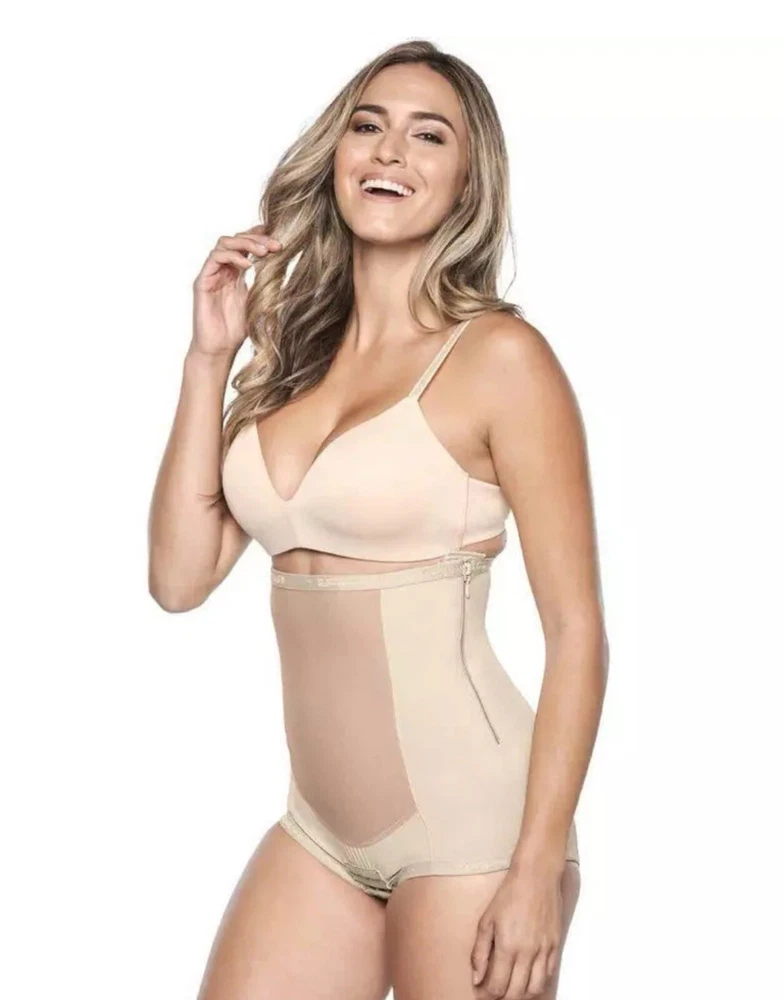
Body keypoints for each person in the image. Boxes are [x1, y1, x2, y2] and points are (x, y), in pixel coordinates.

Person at [148, 39, 608, 1000]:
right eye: (369, 125)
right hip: (319, 830)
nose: (390, 151)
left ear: (468, 181)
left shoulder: (501, 359)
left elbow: (576, 633)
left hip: (475, 829)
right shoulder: (290, 364)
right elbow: (179, 580)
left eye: (428, 136)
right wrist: (208, 361)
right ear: (338, 154)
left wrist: (534, 869)